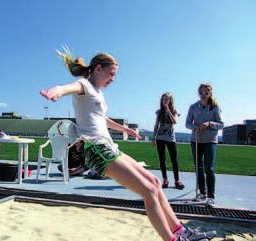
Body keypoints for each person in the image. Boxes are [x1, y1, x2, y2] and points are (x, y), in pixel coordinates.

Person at [41, 48, 216, 241]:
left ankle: (182, 232)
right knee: (148, 191)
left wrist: (126, 130)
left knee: (155, 183)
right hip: (96, 149)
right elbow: (67, 88)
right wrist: (55, 91)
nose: (113, 79)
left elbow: (102, 119)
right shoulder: (84, 85)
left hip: (108, 147)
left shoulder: (97, 92)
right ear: (98, 69)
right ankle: (173, 240)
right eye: (111, 74)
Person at [186, 83, 223, 207]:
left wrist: (209, 123)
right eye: (201, 92)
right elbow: (187, 123)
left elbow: (221, 124)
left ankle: (210, 196)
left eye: (206, 92)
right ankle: (202, 192)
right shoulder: (193, 107)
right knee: (199, 168)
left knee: (209, 169)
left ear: (210, 93)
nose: (203, 95)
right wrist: (195, 127)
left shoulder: (215, 107)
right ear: (198, 93)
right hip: (196, 140)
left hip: (210, 141)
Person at [152, 93, 184, 190]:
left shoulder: (174, 111)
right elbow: (156, 125)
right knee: (162, 160)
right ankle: (165, 179)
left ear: (170, 101)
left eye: (167, 99)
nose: (165, 101)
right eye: (163, 99)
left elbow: (174, 121)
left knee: (174, 160)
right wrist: (153, 137)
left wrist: (168, 111)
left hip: (170, 138)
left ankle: (177, 181)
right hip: (160, 138)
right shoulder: (159, 112)